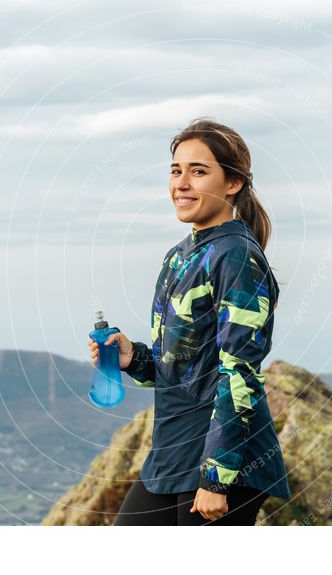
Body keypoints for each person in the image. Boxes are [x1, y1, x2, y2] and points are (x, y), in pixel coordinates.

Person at [88, 117, 291, 526]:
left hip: (223, 459)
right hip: (172, 451)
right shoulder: (178, 256)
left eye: (198, 172)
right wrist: (134, 359)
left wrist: (216, 479)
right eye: (176, 171)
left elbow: (240, 373)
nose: (181, 183)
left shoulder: (236, 257)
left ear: (233, 183)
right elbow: (181, 365)